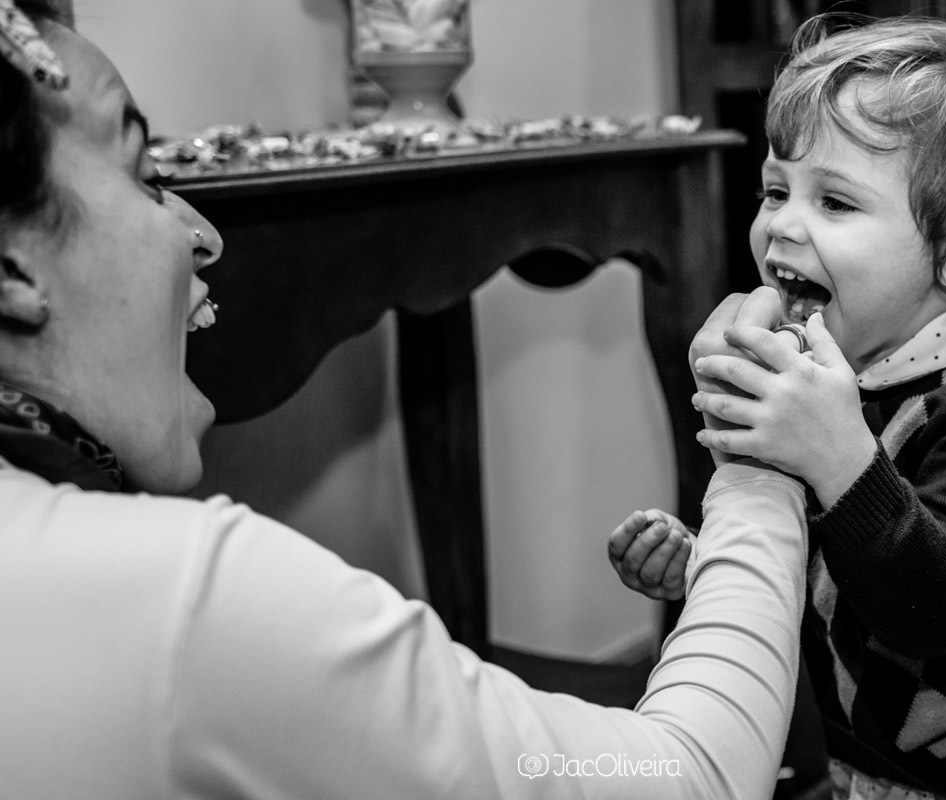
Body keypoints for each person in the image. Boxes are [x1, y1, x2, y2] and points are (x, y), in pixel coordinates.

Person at [0, 3, 815, 798]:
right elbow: (684, 779)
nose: (203, 232)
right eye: (146, 177)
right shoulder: (179, 602)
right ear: (11, 275)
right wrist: (760, 462)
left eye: (838, 202)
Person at [611, 13, 946, 800]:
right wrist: (704, 559)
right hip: (869, 768)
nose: (781, 223)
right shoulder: (835, 372)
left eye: (837, 204)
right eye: (776, 189)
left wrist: (836, 455)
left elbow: (935, 611)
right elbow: (827, 562)